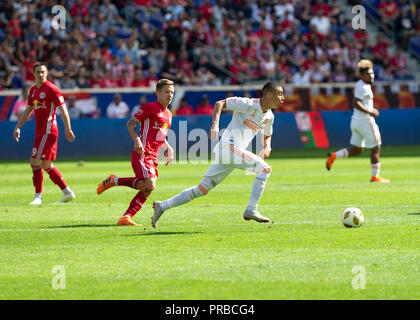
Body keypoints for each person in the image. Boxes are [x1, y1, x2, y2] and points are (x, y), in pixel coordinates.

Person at [152, 82, 285, 228]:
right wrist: (215, 125)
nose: (283, 98)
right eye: (280, 94)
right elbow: (220, 103)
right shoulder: (248, 104)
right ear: (269, 94)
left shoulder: (270, 116)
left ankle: (162, 206)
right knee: (265, 169)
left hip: (230, 153)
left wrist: (267, 147)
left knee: (201, 189)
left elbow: (267, 134)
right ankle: (251, 210)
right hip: (229, 147)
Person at [96, 79, 175, 226]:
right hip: (142, 154)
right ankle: (115, 184)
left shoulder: (169, 114)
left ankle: (125, 216)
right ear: (158, 93)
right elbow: (130, 123)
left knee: (147, 188)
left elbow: (160, 135)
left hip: (153, 156)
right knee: (150, 185)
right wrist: (137, 140)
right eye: (166, 92)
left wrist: (168, 148)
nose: (170, 95)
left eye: (172, 92)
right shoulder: (149, 107)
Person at [13, 62, 76, 205]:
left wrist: (68, 128)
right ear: (33, 74)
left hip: (48, 131)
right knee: (46, 164)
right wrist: (18, 126)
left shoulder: (52, 89)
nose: (41, 74)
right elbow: (28, 110)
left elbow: (63, 109)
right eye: (38, 72)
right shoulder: (33, 90)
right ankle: (67, 192)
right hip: (40, 131)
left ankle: (38, 197)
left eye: (43, 72)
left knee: (34, 161)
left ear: (47, 73)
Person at [326, 59, 389, 183]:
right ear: (361, 75)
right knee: (376, 147)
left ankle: (334, 155)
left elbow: (360, 102)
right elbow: (356, 103)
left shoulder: (360, 84)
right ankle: (375, 176)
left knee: (357, 150)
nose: (371, 76)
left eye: (372, 73)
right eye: (368, 74)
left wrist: (370, 108)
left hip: (356, 120)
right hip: (365, 121)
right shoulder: (365, 87)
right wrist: (371, 112)